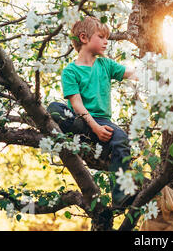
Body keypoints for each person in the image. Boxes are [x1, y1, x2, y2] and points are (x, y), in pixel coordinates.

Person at [47, 16, 138, 209]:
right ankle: (80, 136)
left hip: (104, 121)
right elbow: (77, 104)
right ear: (84, 38)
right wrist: (94, 127)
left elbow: (132, 73)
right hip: (80, 119)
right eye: (102, 37)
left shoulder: (105, 65)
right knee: (54, 108)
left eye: (107, 37)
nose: (106, 41)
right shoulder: (70, 71)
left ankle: (120, 195)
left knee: (121, 140)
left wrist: (157, 70)